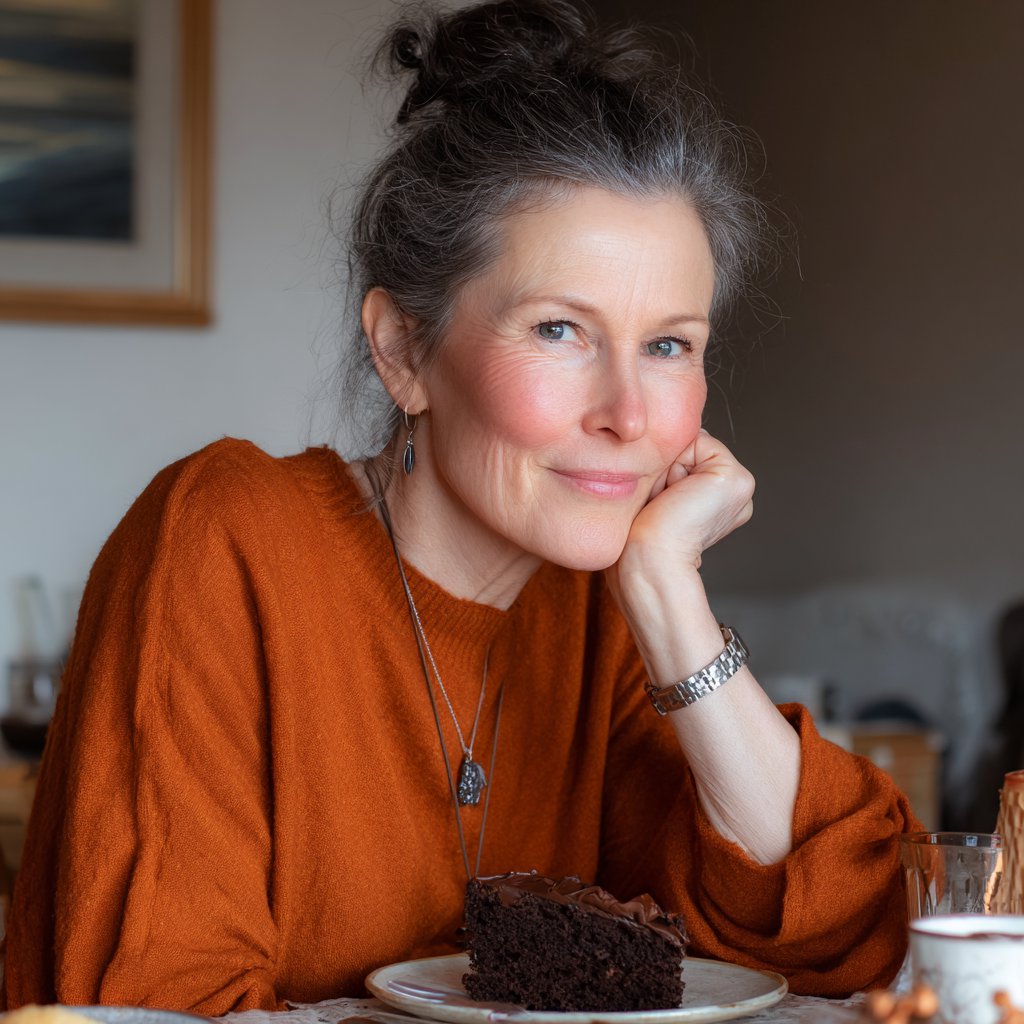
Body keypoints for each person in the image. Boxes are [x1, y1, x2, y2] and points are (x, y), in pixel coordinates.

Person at [3, 1, 919, 1014]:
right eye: (561, 329)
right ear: (404, 353)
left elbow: (848, 931)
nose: (627, 412)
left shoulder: (603, 617)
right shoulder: (225, 541)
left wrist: (669, 599)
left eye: (669, 344)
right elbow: (150, 1004)